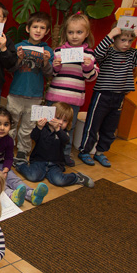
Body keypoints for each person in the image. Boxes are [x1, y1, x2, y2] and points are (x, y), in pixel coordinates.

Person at [78, 26, 137, 167]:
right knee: (93, 125)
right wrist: (109, 35)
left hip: (119, 96)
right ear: (115, 39)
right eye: (123, 40)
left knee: (110, 127)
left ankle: (101, 152)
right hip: (102, 94)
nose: (126, 44)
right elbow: (97, 54)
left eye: (130, 41)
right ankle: (84, 151)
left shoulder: (132, 55)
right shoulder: (108, 52)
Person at [45, 13, 98, 167]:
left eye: (79, 32)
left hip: (74, 98)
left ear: (86, 33)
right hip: (56, 95)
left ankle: (65, 153)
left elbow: (91, 77)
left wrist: (88, 67)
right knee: (50, 124)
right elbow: (52, 74)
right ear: (65, 33)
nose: (74, 36)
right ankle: (47, 151)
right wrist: (56, 65)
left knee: (69, 126)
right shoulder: (59, 51)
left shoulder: (89, 54)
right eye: (71, 32)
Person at [6, 11, 54, 165]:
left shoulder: (48, 51)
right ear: (28, 28)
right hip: (16, 93)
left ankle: (22, 151)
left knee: (28, 126)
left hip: (35, 95)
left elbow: (49, 73)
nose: (38, 30)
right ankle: (7, 149)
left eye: (42, 28)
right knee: (11, 123)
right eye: (35, 27)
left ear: (46, 32)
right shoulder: (19, 46)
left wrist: (46, 61)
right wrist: (19, 58)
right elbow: (11, 69)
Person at [15, 102, 94, 188]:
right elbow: (33, 137)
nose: (60, 122)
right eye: (58, 118)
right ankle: (20, 164)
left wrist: (57, 129)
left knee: (58, 180)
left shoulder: (64, 133)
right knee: (33, 176)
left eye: (65, 121)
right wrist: (39, 127)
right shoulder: (43, 129)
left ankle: (77, 178)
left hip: (55, 164)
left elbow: (65, 140)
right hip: (39, 161)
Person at [0, 106, 48, 206]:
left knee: (14, 179)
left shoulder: (9, 140)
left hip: (2, 166)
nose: (2, 128)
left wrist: (6, 170)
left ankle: (32, 194)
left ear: (10, 126)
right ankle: (12, 195)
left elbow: (9, 157)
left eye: (6, 124)